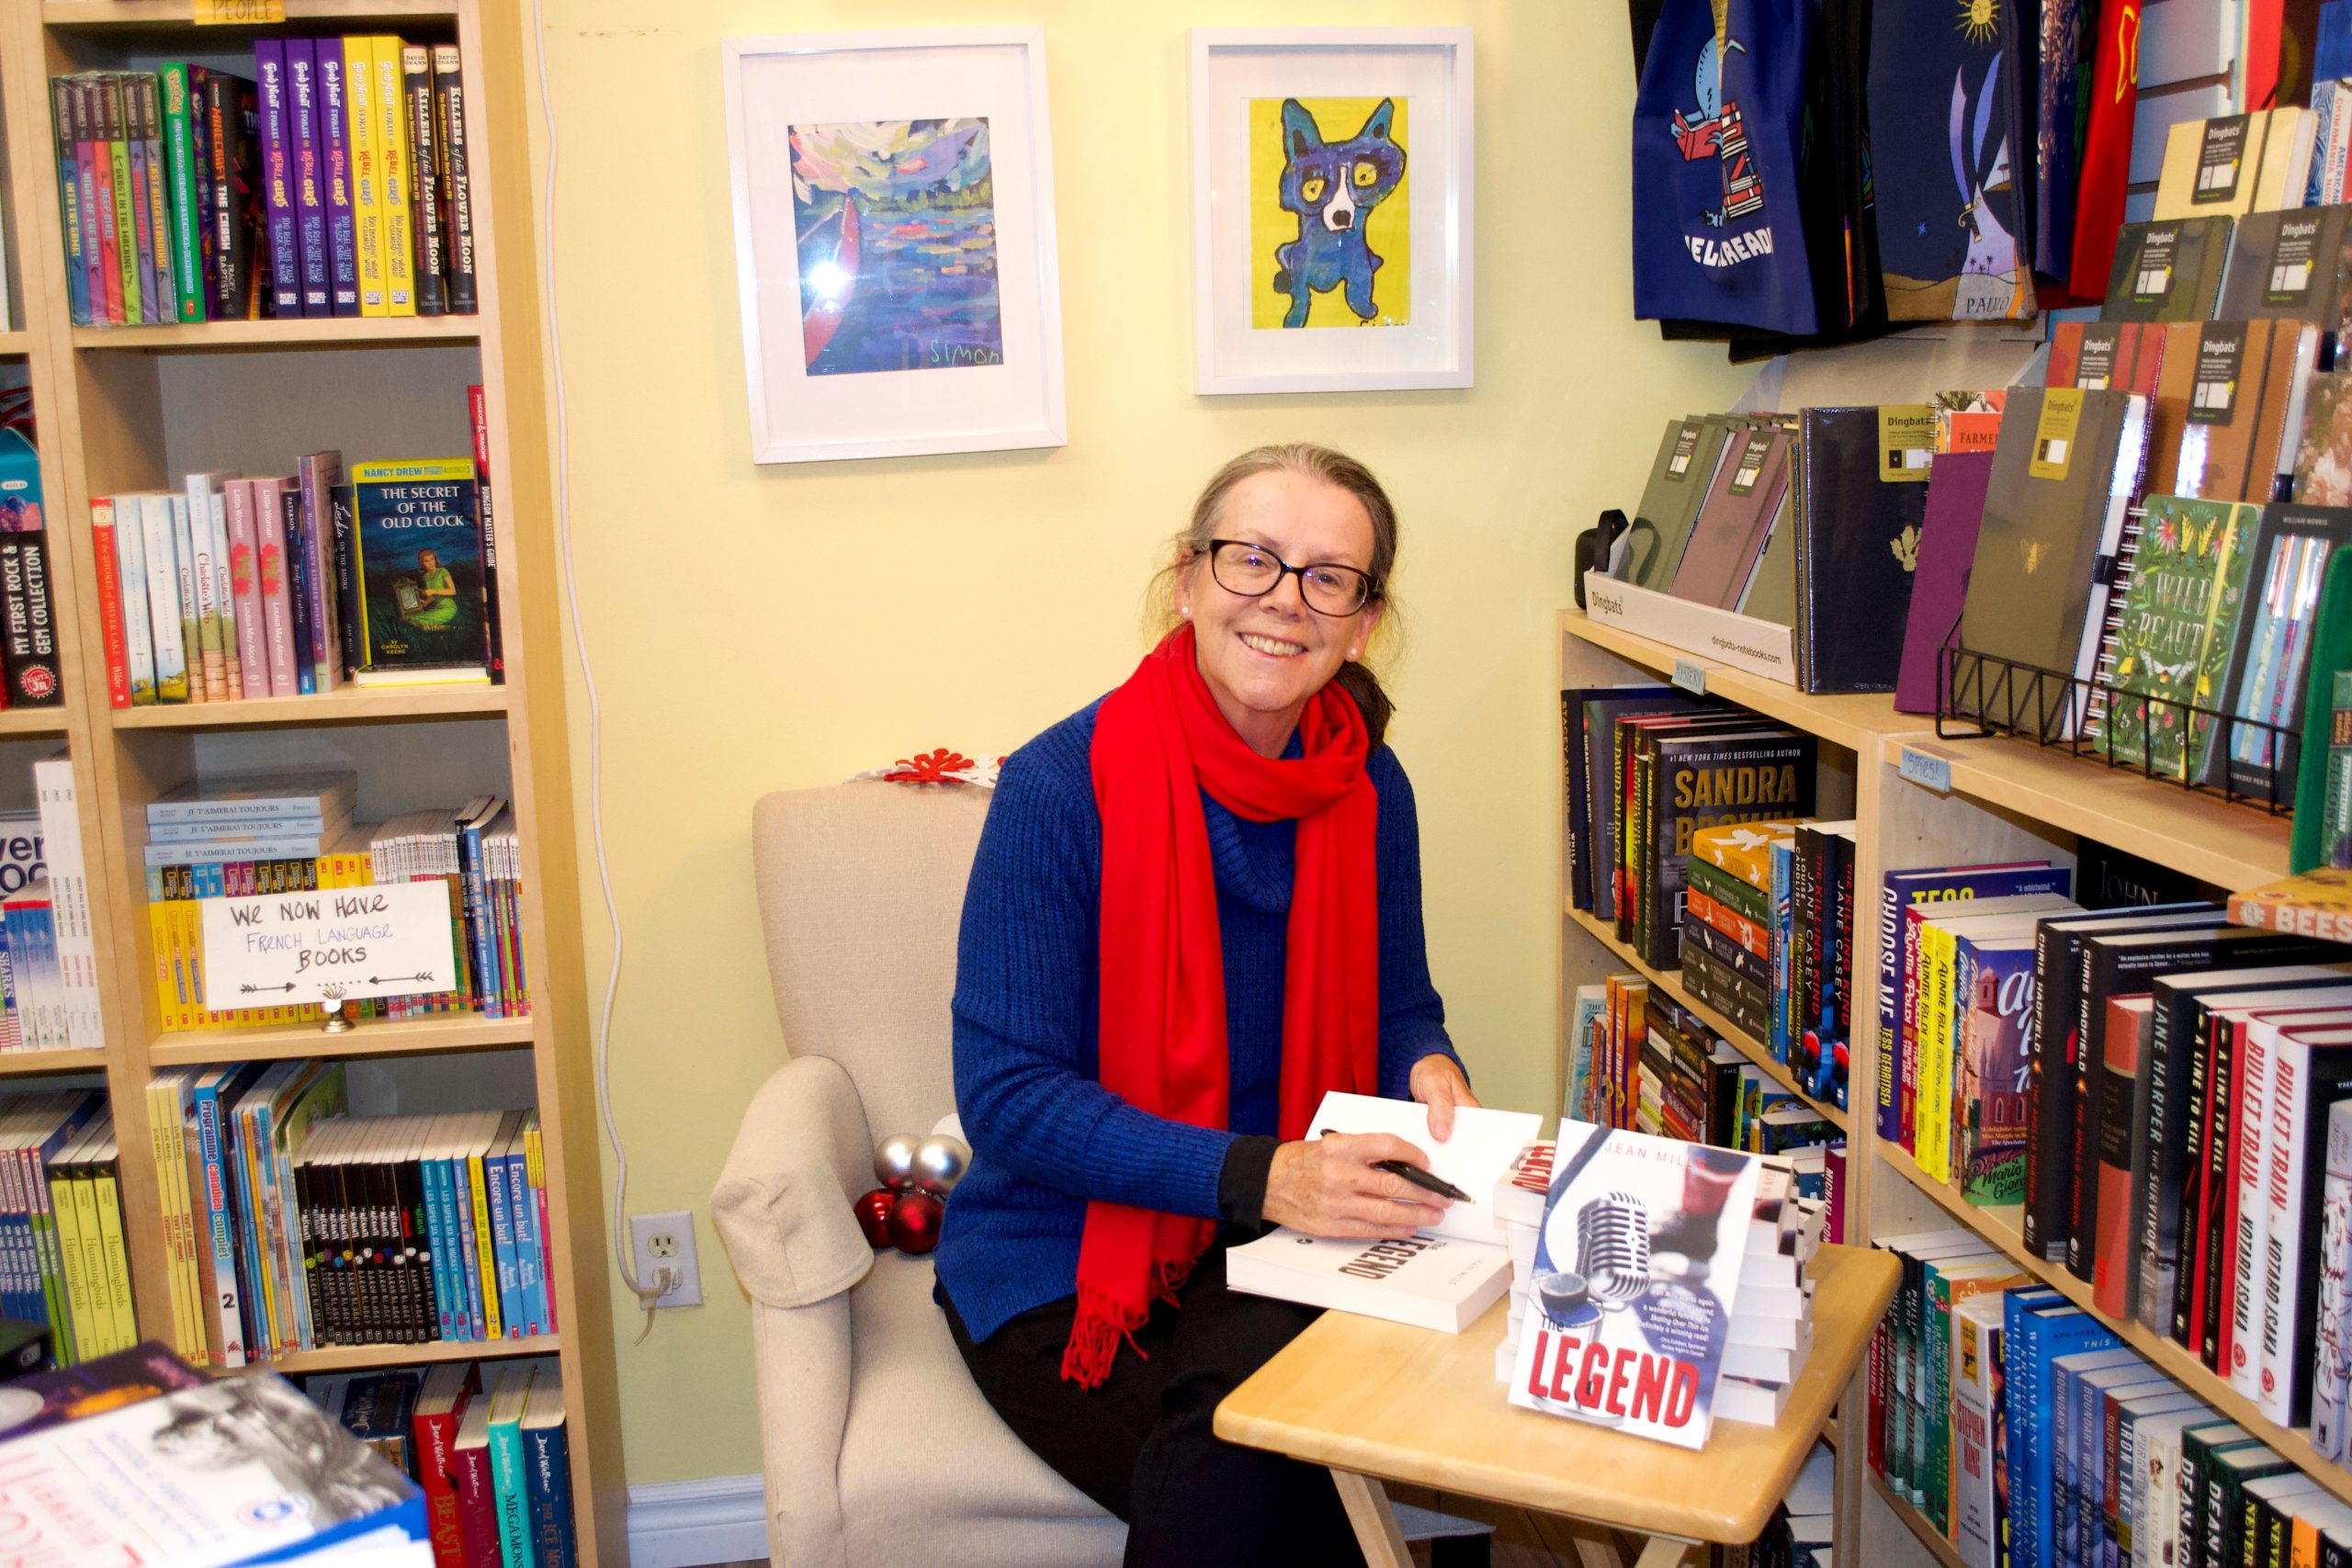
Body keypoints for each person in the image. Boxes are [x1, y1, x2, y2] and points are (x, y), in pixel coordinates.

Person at [933, 444, 1475, 1567]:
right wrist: (1262, 1175)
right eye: (1252, 559)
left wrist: (1428, 1064)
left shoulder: (1370, 786)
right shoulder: (1058, 787)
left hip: (1283, 1236)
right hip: (1063, 1251)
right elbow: (1009, 1100)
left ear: (1363, 624)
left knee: (1262, 1474)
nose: (1285, 599)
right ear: (1186, 580)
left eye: (1329, 577)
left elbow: (1400, 1006)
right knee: (1248, 1489)